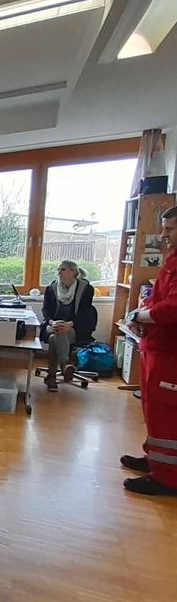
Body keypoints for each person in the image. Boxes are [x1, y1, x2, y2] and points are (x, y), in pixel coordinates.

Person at [122, 205, 177, 496]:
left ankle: (168, 478)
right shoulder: (172, 260)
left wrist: (142, 316)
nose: (163, 234)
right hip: (156, 346)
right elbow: (159, 300)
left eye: (170, 228)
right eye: (163, 227)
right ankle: (155, 460)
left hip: (171, 354)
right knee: (153, 410)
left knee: (167, 414)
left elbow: (172, 307)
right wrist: (143, 314)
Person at [40, 261, 97, 392]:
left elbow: (84, 313)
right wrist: (52, 322)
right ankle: (65, 364)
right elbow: (46, 311)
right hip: (52, 325)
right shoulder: (51, 288)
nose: (59, 272)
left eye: (63, 269)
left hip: (75, 327)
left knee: (55, 338)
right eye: (59, 269)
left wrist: (69, 324)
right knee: (56, 332)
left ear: (74, 272)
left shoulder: (86, 289)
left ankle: (52, 376)